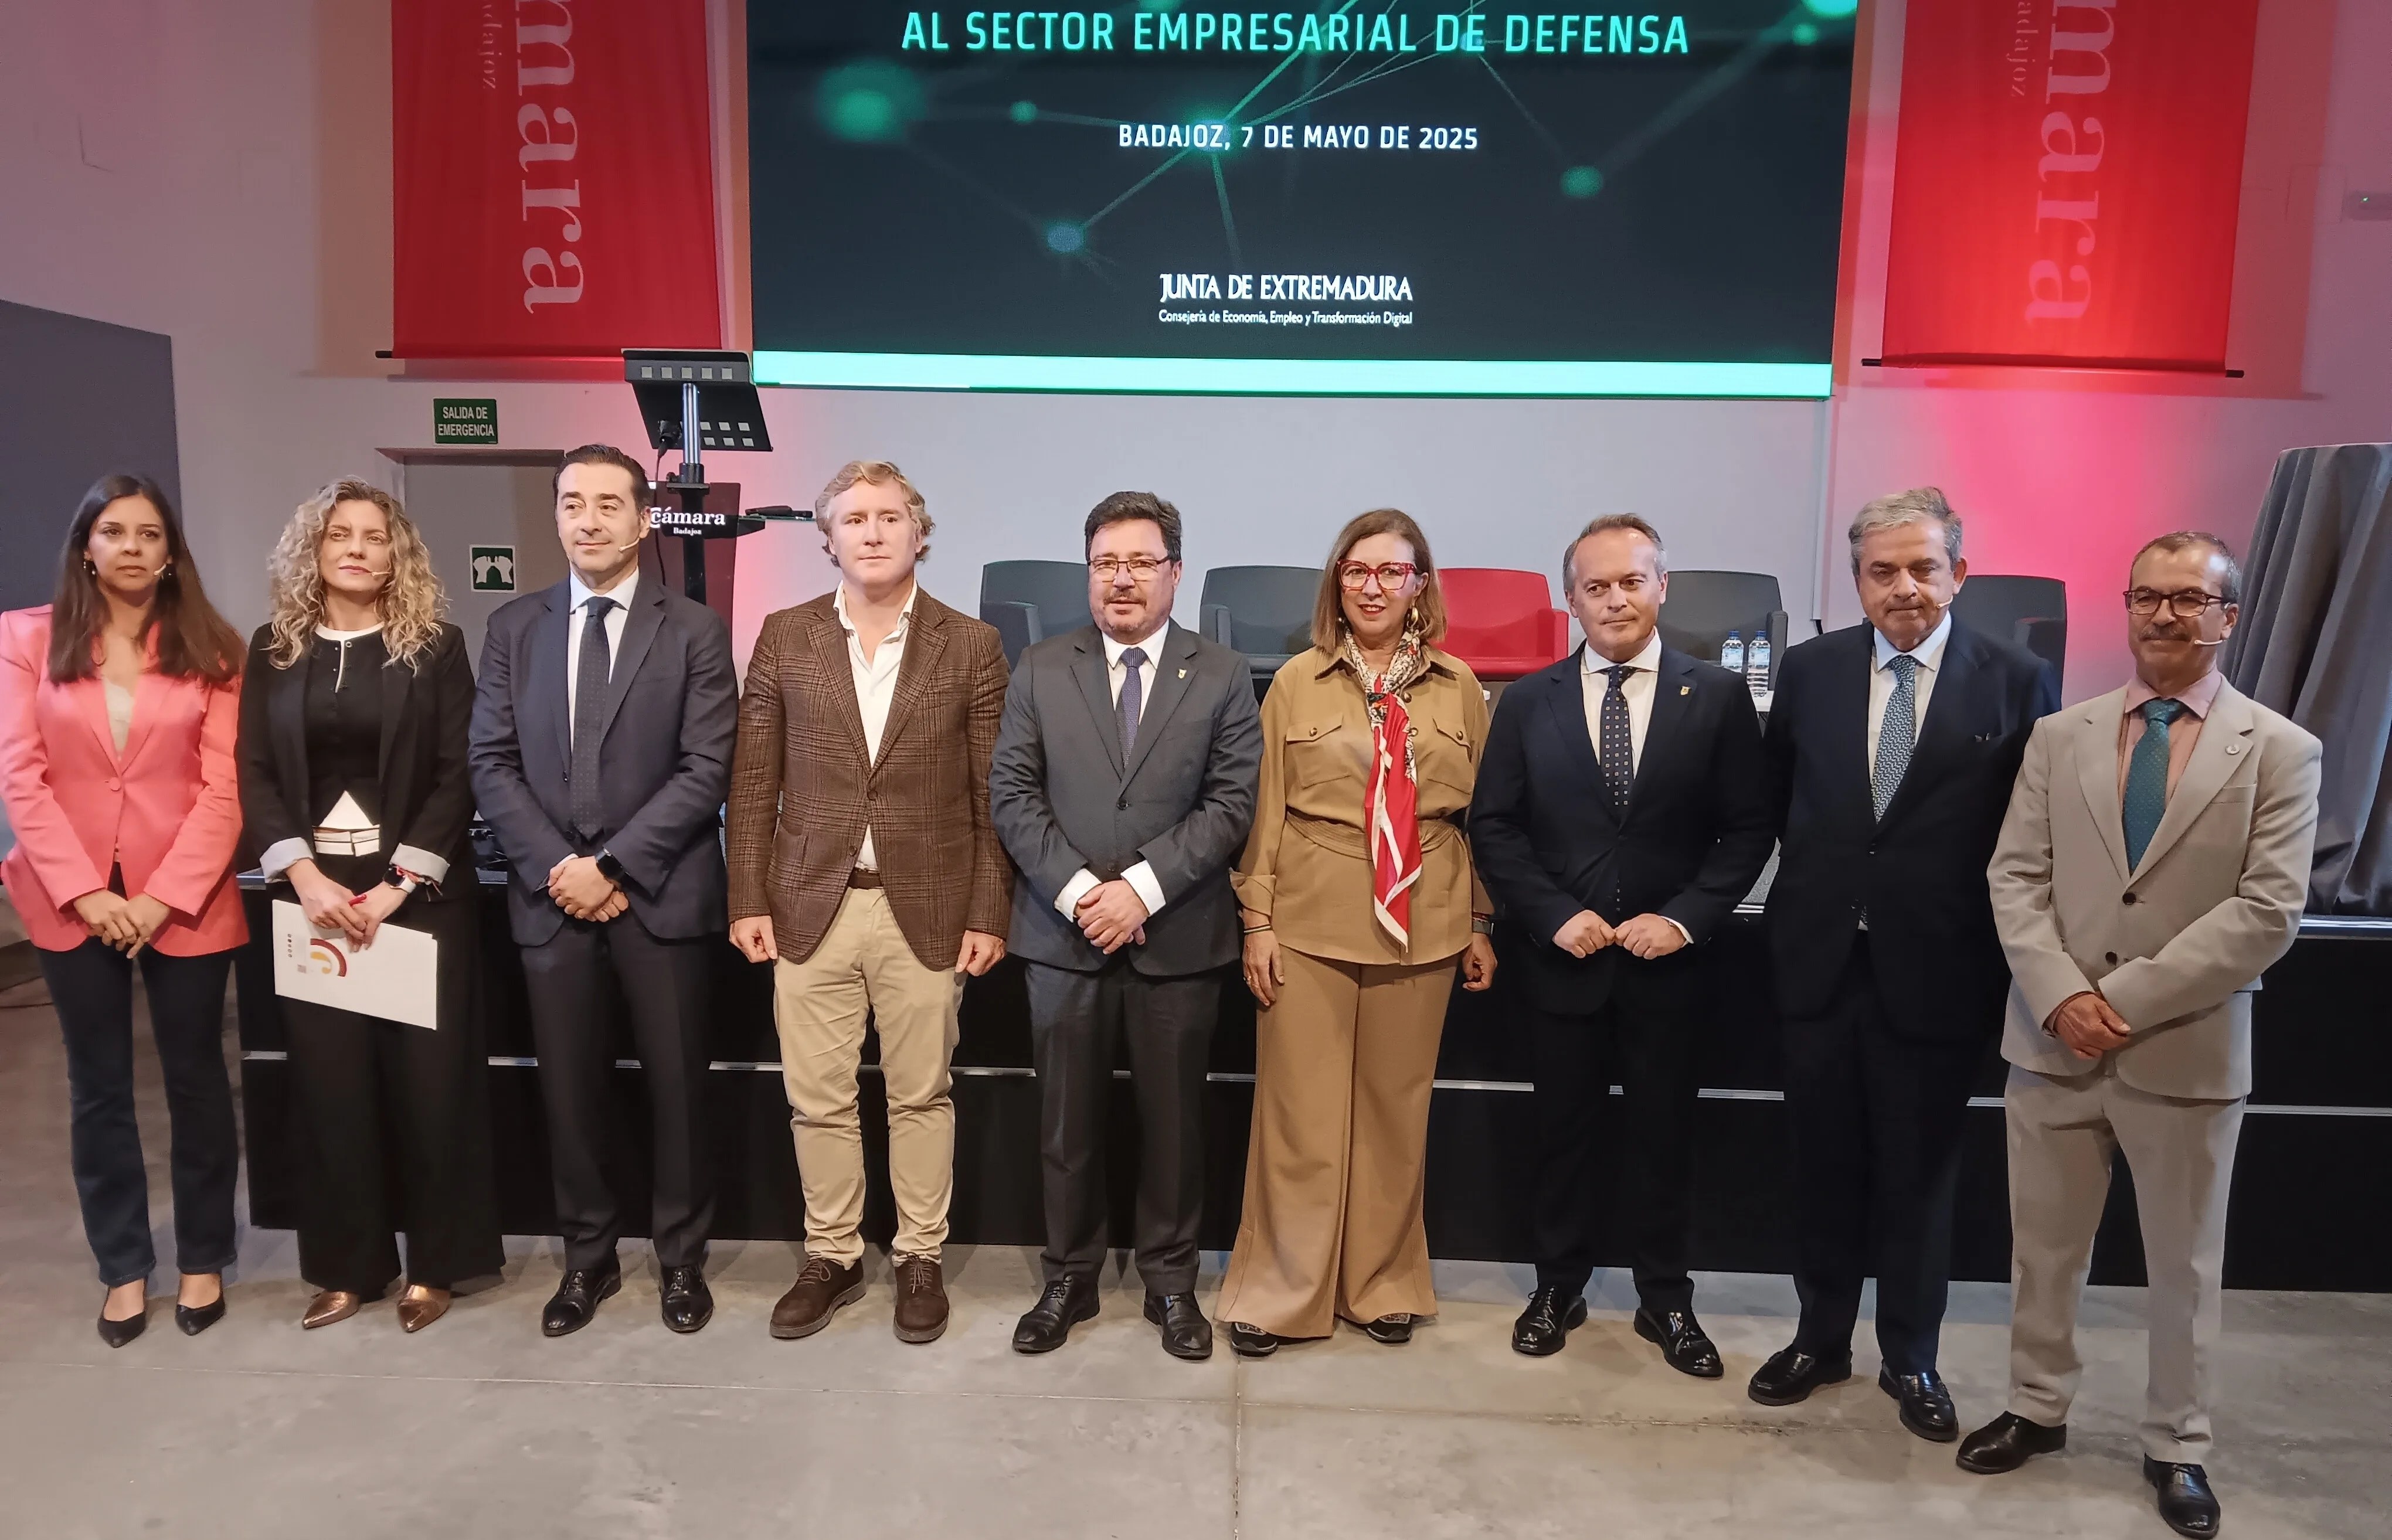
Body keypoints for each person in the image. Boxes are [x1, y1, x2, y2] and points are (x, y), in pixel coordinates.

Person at [1962, 533, 2319, 1539]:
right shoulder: (2060, 736)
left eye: (2190, 601)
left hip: (2186, 1050)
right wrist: (2061, 995)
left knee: (2185, 1266)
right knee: (2044, 1251)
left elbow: (2268, 910)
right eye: (2148, 597)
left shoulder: (2282, 750)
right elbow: (2015, 877)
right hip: (2051, 1042)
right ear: (2126, 608)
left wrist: (2127, 1003)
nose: (2166, 616)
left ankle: (2179, 1445)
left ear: (2229, 617)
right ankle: (2038, 1407)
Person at [1752, 487, 2058, 1439]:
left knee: (1923, 1173)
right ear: (1857, 583)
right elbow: (1774, 802)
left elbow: (2030, 832)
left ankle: (1911, 1357)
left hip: (1942, 972)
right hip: (1817, 965)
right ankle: (1820, 1336)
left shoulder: (2016, 679)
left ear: (1959, 574)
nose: (1905, 588)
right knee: (1822, 1163)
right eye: (1883, 571)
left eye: (1925, 567)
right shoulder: (1808, 673)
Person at [1469, 515, 1773, 1370]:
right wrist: (1549, 913)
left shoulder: (1714, 697)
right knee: (1560, 1134)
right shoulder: (1528, 701)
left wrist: (1681, 918)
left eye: (1632, 582)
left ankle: (1664, 1301)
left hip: (1669, 969)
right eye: (1596, 586)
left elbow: (1746, 831)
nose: (1615, 600)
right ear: (1571, 600)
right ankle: (1557, 1286)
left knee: (1665, 1138)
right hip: (1560, 964)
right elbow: (1495, 828)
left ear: (1662, 588)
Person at [726, 461, 1011, 1345]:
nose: (875, 532)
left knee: (921, 1095)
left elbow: (992, 793)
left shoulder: (972, 645)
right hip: (809, 902)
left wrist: (988, 911)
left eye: (892, 516)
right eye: (856, 519)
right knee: (818, 1098)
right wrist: (747, 896)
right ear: (830, 539)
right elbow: (753, 780)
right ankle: (833, 1255)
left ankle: (919, 1256)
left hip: (925, 906)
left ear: (920, 534)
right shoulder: (785, 635)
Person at [468, 443, 738, 1337]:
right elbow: (491, 761)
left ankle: (681, 1263)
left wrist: (613, 865)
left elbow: (708, 767)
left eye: (609, 504)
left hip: (660, 898)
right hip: (552, 902)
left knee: (678, 1094)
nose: (589, 519)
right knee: (570, 1092)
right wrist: (563, 868)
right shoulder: (514, 629)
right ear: (555, 516)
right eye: (573, 503)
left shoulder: (695, 629)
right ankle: (587, 1262)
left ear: (645, 517)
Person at [1215, 508, 1497, 1358]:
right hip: (1310, 915)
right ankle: (1281, 1291)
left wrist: (1481, 917)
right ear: (1337, 584)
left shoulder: (1460, 687)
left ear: (1420, 585)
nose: (1373, 586)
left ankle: (1379, 1285)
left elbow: (1484, 815)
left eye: (1392, 571)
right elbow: (1266, 811)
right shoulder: (1298, 680)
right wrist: (1257, 920)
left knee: (1392, 1114)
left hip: (1427, 918)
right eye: (1357, 571)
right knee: (1298, 1119)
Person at [989, 491, 1260, 1360]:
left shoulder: (1220, 672)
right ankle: (1068, 1278)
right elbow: (1012, 795)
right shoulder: (1037, 666)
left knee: (1175, 1125)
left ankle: (1171, 1284)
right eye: (1107, 563)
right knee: (1066, 1125)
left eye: (1142, 562)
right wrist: (1082, 893)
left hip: (1177, 937)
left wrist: (1140, 890)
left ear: (1175, 572)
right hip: (1062, 938)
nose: (1123, 580)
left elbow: (1230, 804)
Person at [237, 479, 502, 1332]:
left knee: (432, 1092)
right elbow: (256, 772)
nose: (356, 547)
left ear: (399, 554)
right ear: (311, 551)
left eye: (374, 535)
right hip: (313, 909)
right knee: (332, 1091)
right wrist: (306, 878)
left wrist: (396, 887)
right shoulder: (272, 650)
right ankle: (347, 1267)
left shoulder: (437, 648)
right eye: (338, 534)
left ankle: (437, 1265)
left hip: (417, 904)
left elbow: (459, 773)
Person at [0, 474, 246, 1347]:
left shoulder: (215, 648)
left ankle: (205, 1255)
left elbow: (224, 790)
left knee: (197, 1080)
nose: (133, 547)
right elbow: (20, 779)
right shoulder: (26, 638)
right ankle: (122, 1267)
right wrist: (89, 891)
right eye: (115, 532)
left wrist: (158, 897)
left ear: (170, 551)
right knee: (98, 1086)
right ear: (87, 548)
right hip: (72, 896)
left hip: (183, 896)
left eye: (149, 533)